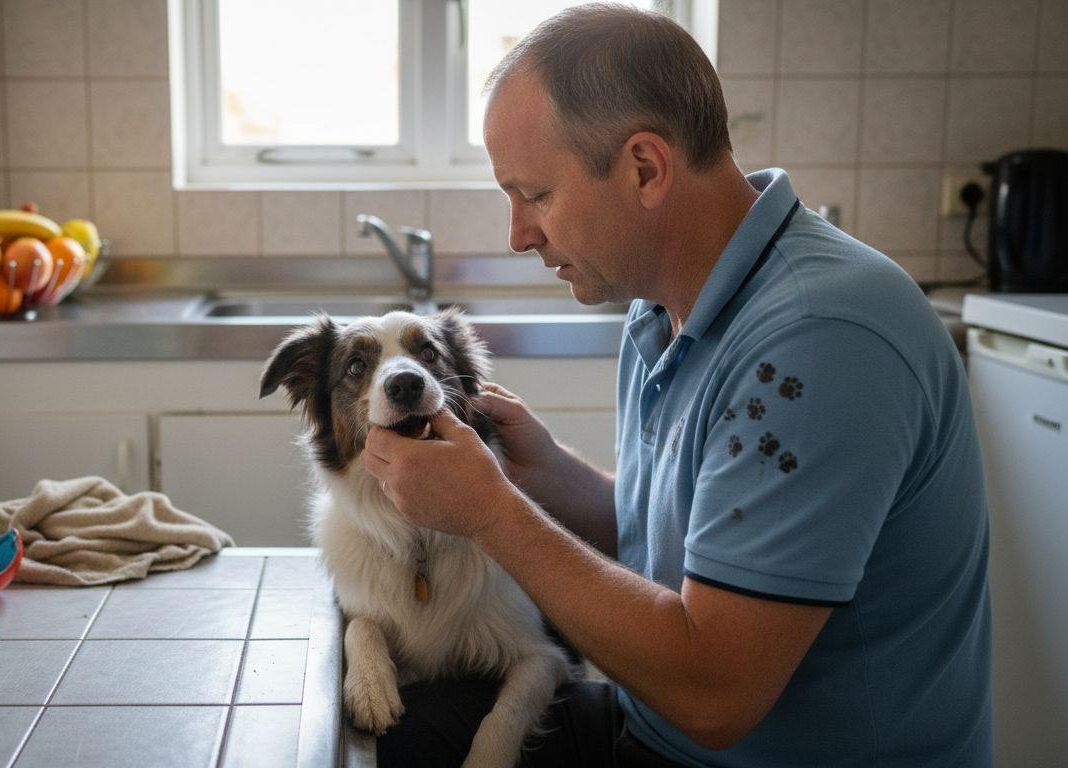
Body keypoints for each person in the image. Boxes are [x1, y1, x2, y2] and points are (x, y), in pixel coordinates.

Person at [359, 4, 993, 766]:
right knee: (373, 734)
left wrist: (492, 515)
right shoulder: (666, 305)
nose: (519, 234)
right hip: (651, 726)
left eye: (535, 194)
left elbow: (714, 694)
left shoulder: (817, 341)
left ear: (645, 169)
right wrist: (545, 479)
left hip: (718, 742)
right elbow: (686, 556)